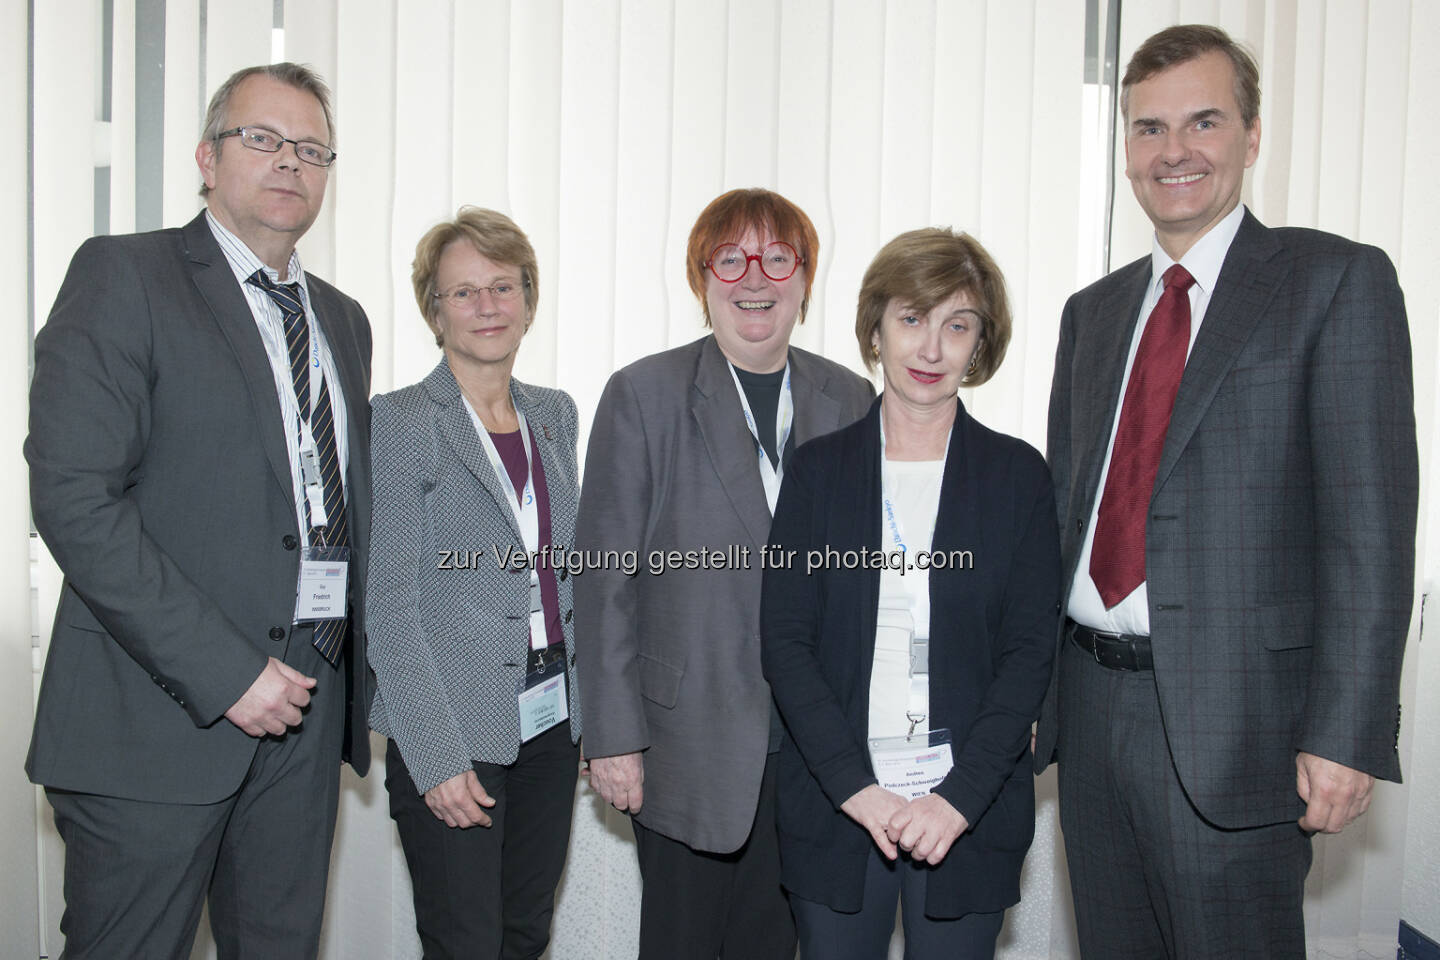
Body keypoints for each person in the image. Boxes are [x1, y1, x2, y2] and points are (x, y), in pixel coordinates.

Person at [1034, 24, 1418, 959]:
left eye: (1203, 121)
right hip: (1089, 716)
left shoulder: (1334, 283)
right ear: (1125, 150)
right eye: (1148, 128)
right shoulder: (1091, 315)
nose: (1174, 152)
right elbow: (1063, 521)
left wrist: (1347, 733)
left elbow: (1371, 533)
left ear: (1252, 135)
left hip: (1241, 727)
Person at [25, 63, 372, 957]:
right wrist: (228, 674)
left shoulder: (344, 320)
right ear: (206, 158)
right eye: (262, 139)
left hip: (306, 712)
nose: (289, 162)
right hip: (159, 718)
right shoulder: (124, 275)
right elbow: (74, 499)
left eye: (311, 149)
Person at [576, 187, 873, 959]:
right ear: (701, 277)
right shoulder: (644, 394)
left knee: (775, 946)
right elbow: (603, 579)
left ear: (805, 280)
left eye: (779, 258)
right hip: (686, 742)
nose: (755, 277)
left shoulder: (848, 396)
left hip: (815, 746)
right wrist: (612, 737)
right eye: (731, 257)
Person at [761, 228, 1060, 959]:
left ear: (980, 345)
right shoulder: (818, 472)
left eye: (958, 326)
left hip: (968, 808)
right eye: (912, 319)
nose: (931, 349)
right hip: (838, 806)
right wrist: (856, 790)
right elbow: (786, 644)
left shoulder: (1018, 476)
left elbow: (1028, 657)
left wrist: (958, 800)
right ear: (876, 327)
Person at [367, 207, 582, 959]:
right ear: (434, 310)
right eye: (463, 292)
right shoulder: (400, 422)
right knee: (465, 944)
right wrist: (436, 756)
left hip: (550, 721)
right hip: (454, 726)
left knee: (525, 933)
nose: (487, 306)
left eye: (502, 286)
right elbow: (389, 610)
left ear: (528, 299)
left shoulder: (555, 415)